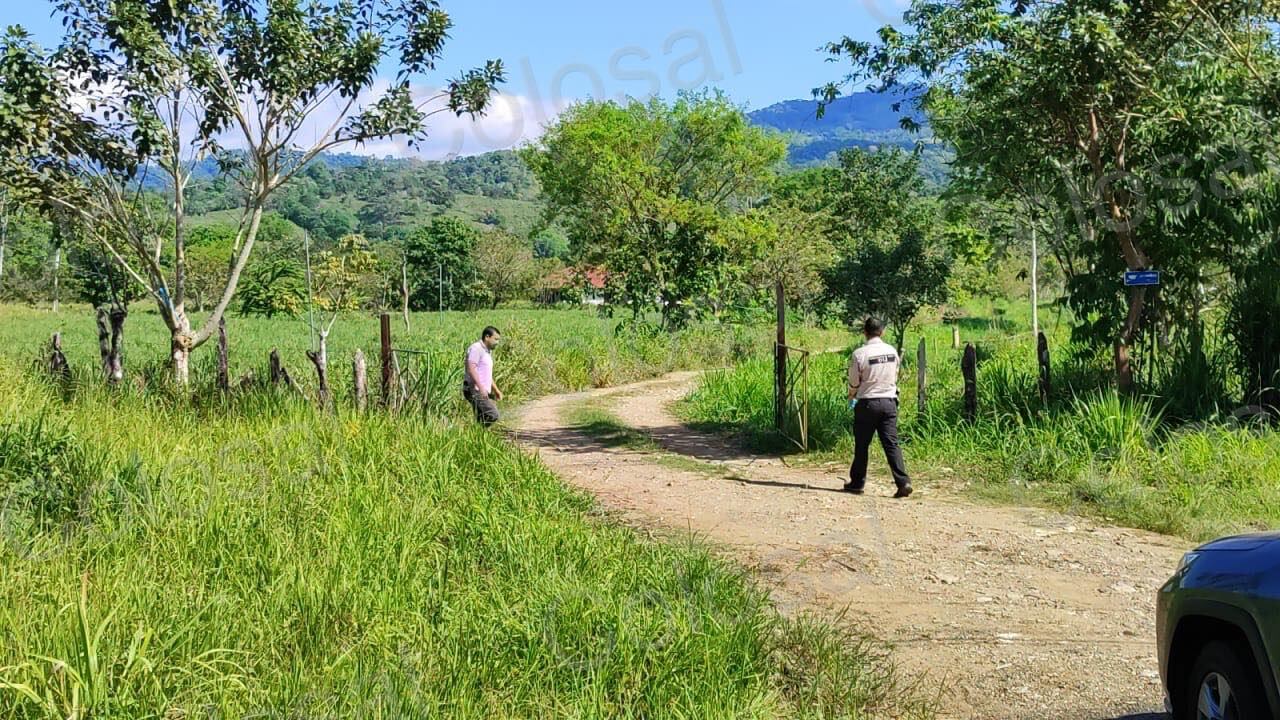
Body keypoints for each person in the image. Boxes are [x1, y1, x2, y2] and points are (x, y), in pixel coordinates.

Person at [845, 317, 912, 498]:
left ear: (865, 332)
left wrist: (851, 396)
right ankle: (903, 482)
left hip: (867, 403)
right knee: (891, 444)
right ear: (881, 332)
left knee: (862, 445)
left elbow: (854, 381)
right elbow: (895, 375)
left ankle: (857, 483)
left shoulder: (859, 354)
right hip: (889, 402)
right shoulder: (892, 351)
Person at [463, 326, 503, 426]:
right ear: (487, 337)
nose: (497, 342)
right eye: (495, 339)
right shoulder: (477, 348)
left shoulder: (487, 351)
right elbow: (471, 369)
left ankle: (477, 435)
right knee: (493, 414)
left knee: (481, 416)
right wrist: (481, 388)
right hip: (474, 389)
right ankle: (477, 432)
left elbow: (487, 375)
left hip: (481, 390)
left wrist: (496, 390)